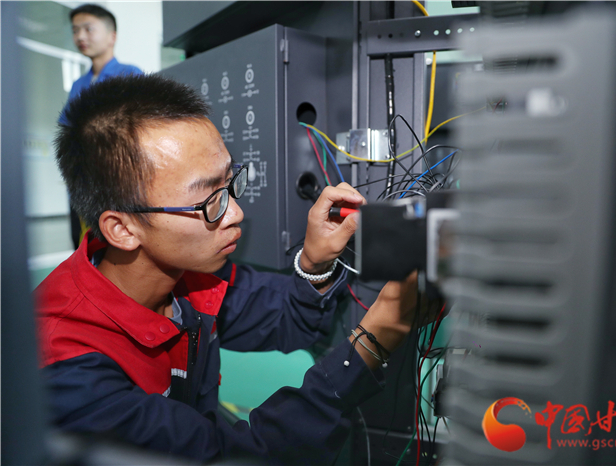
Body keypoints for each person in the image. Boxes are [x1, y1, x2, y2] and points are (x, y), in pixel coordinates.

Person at [36, 73, 434, 464]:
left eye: (230, 184)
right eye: (209, 201)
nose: (236, 213)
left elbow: (289, 319)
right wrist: (374, 340)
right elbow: (233, 456)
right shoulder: (66, 368)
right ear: (122, 229)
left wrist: (315, 261)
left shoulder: (189, 279)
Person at [60, 4, 142, 248]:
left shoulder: (129, 75)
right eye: (75, 30)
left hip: (116, 184)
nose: (80, 36)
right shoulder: (78, 85)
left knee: (116, 247)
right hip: (80, 185)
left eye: (88, 29)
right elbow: (67, 132)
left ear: (111, 36)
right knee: (83, 247)